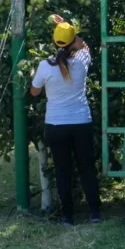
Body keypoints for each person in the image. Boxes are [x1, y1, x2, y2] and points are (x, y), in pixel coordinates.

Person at [30, 15, 102, 225]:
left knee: (62, 170)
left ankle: (68, 217)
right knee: (87, 168)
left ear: (54, 42)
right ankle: (95, 213)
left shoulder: (44, 66)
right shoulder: (81, 61)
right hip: (81, 122)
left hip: (56, 125)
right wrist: (68, 27)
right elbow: (84, 45)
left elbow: (34, 92)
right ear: (72, 42)